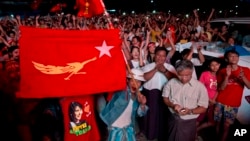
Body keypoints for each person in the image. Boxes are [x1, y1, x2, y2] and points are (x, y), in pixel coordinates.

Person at [162, 60, 209, 141]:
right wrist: (173, 105)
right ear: (176, 72)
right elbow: (165, 98)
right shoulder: (171, 83)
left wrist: (190, 111)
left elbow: (204, 108)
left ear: (192, 72)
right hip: (173, 118)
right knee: (171, 137)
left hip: (188, 122)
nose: (184, 78)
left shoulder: (199, 87)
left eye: (187, 75)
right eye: (180, 75)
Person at [97, 68, 148, 141]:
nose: (135, 83)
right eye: (132, 81)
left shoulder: (138, 97)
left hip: (128, 129)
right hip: (114, 129)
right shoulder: (121, 90)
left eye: (138, 82)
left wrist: (142, 104)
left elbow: (140, 114)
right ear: (127, 81)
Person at [139, 47, 177, 141]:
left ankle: (162, 135)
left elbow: (174, 80)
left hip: (165, 95)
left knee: (163, 116)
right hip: (151, 95)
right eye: (158, 55)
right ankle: (150, 134)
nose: (160, 58)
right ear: (154, 56)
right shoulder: (148, 66)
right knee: (151, 116)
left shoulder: (169, 67)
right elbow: (144, 78)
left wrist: (164, 70)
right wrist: (155, 69)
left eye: (163, 56)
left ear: (165, 57)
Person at [214, 50, 250, 141]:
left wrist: (243, 77)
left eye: (236, 56)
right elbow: (220, 88)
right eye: (231, 56)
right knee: (217, 123)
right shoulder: (222, 71)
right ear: (226, 59)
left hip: (233, 103)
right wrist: (226, 76)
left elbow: (249, 86)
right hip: (220, 101)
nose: (234, 58)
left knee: (227, 126)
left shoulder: (245, 70)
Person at [196, 58, 221, 140]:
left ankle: (197, 130)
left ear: (219, 65)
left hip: (214, 102)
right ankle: (193, 134)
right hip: (203, 101)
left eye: (216, 64)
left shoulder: (221, 75)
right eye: (212, 65)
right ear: (209, 66)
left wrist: (213, 100)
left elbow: (219, 89)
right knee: (198, 119)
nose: (214, 67)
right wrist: (209, 100)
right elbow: (200, 88)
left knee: (212, 122)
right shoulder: (205, 74)